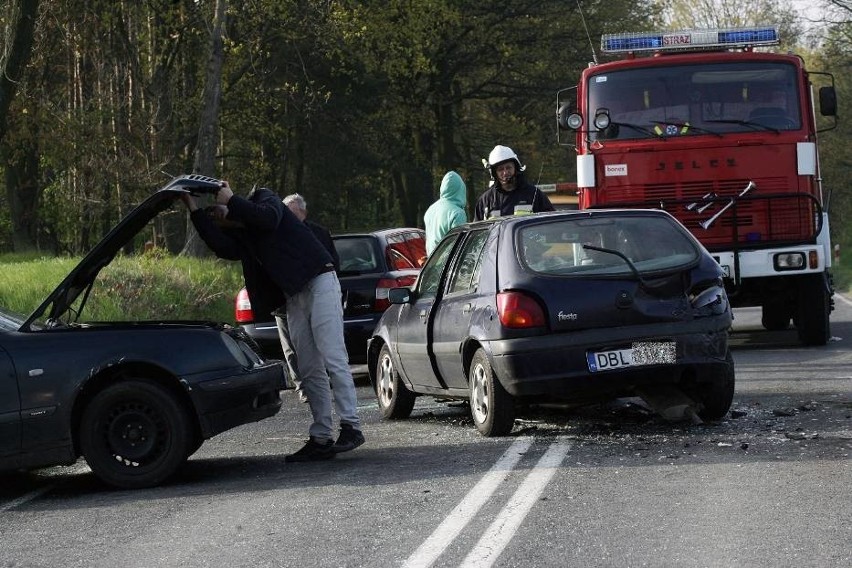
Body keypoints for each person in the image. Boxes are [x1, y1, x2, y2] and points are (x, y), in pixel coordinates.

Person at [182, 181, 364, 462]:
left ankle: (351, 426)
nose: (216, 216)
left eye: (217, 210)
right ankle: (322, 436)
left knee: (332, 356)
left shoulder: (264, 199)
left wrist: (231, 200)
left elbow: (267, 218)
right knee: (307, 366)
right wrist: (193, 208)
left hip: (319, 280)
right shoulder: (246, 237)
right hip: (294, 294)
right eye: (214, 215)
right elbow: (220, 246)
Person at [277, 193, 340, 403]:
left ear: (303, 213)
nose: (289, 218)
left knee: (321, 346)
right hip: (286, 300)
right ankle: (302, 386)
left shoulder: (319, 233)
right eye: (285, 213)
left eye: (293, 213)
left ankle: (321, 387)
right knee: (291, 347)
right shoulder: (275, 233)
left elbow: (333, 264)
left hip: (316, 296)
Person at [473, 145, 554, 221]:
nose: (505, 173)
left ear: (516, 168)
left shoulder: (534, 194)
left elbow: (551, 224)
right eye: (500, 169)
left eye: (508, 167)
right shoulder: (486, 200)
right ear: (494, 173)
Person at [423, 171, 468, 256]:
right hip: (448, 265)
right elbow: (459, 246)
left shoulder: (430, 210)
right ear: (461, 189)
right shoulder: (457, 213)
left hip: (431, 264)